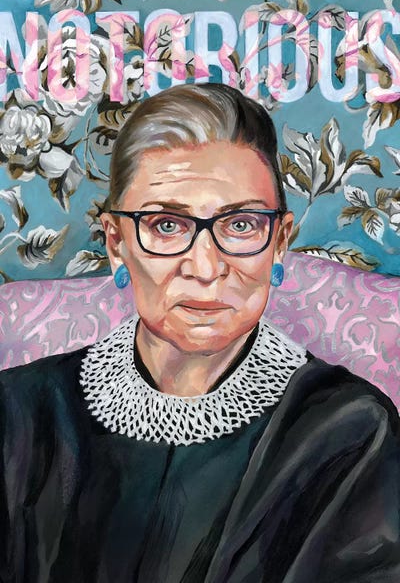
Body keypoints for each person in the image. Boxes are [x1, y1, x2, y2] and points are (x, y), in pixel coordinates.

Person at [0, 83, 399, 583]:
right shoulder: (19, 413)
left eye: (241, 225)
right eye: (167, 225)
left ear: (279, 243)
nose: (206, 268)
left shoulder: (351, 430)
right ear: (116, 244)